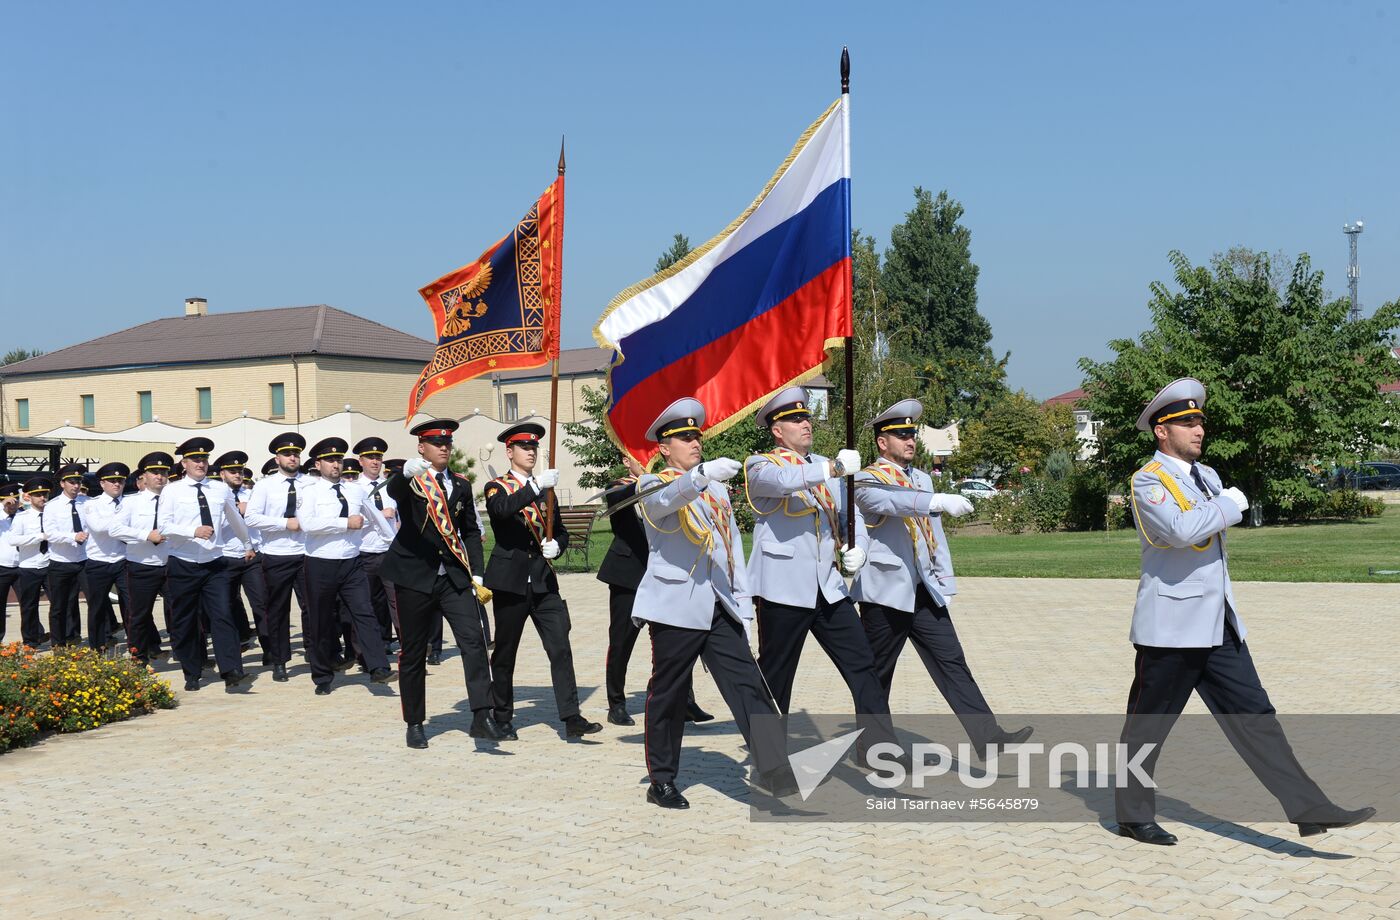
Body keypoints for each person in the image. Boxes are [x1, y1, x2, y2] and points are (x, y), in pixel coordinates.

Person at [1114, 378, 1375, 845]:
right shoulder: (1148, 480)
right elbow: (1177, 531)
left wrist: (1220, 500)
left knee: (1256, 714)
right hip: (1171, 629)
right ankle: (1133, 815)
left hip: (1218, 623)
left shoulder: (1207, 476)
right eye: (1187, 423)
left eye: (1200, 421)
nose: (1199, 430)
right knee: (1148, 726)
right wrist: (1229, 504)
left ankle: (1310, 808)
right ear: (1161, 431)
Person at [632, 398, 795, 808]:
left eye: (696, 437)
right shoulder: (653, 484)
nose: (694, 443)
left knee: (749, 687)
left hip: (719, 604)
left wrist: (742, 605)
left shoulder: (716, 488)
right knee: (668, 695)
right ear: (664, 448)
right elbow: (663, 504)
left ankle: (776, 772)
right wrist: (700, 476)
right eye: (684, 438)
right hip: (676, 607)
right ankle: (662, 780)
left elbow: (730, 551)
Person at [852, 400, 1031, 757]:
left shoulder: (919, 479)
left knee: (952, 661)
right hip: (885, 593)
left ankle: (987, 736)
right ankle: (870, 746)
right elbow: (892, 503)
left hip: (922, 589)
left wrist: (943, 579)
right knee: (877, 674)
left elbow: (935, 538)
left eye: (911, 434)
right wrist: (936, 500)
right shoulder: (866, 479)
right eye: (900, 435)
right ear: (881, 443)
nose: (909, 440)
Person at [743, 386, 895, 749]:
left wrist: (853, 546)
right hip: (782, 589)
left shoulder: (824, 465)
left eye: (806, 417)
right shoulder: (761, 464)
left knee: (863, 664)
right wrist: (833, 468)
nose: (805, 423)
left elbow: (845, 516)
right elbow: (782, 483)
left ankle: (878, 746)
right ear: (777, 430)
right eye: (795, 419)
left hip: (828, 588)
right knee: (777, 677)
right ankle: (768, 754)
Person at [381, 419, 500, 747]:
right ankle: (414, 722)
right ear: (422, 447)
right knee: (414, 652)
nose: (444, 447)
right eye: (436, 443)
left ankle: (481, 715)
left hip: (453, 577)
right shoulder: (413, 481)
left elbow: (472, 530)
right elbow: (394, 493)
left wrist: (477, 571)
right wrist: (404, 473)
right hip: (414, 577)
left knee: (474, 642)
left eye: (447, 442)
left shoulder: (460, 484)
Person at [482, 422, 600, 740]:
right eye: (524, 447)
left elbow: (558, 529)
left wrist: (558, 545)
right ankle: (502, 715)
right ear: (510, 452)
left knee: (560, 646)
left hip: (544, 581)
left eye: (534, 447)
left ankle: (571, 716)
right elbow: (502, 511)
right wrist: (535, 488)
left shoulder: (545, 489)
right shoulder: (498, 486)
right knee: (506, 651)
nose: (531, 451)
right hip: (511, 581)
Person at [596, 454, 712, 726]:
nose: (648, 461)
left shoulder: (669, 485)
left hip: (665, 572)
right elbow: (616, 499)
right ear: (627, 461)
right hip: (629, 575)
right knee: (622, 640)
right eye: (640, 457)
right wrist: (646, 482)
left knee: (675, 638)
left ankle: (684, 700)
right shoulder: (620, 485)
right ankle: (617, 703)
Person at [299, 437, 397, 694]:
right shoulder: (309, 491)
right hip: (321, 563)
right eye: (330, 460)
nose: (336, 464)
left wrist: (395, 544)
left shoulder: (355, 490)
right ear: (318, 464)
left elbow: (376, 519)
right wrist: (344, 523)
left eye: (339, 459)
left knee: (364, 612)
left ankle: (378, 667)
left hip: (352, 562)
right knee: (321, 621)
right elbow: (308, 524)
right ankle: (322, 676)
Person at [158, 437, 254, 692]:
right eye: (195, 459)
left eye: (204, 459)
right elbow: (164, 526)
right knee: (186, 620)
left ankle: (232, 670)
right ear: (185, 463)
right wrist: (193, 531)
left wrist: (247, 544)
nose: (201, 464)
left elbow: (235, 520)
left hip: (215, 564)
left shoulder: (218, 489)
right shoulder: (172, 490)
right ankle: (192, 671)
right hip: (184, 563)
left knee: (223, 614)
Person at [244, 433, 308, 682]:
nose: (292, 458)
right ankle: (280, 660)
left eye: (296, 454)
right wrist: (285, 524)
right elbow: (252, 518)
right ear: (277, 458)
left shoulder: (310, 483)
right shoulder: (265, 485)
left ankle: (317, 654)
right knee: (278, 610)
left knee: (312, 609)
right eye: (287, 454)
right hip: (276, 554)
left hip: (305, 553)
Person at [112, 453, 173, 664]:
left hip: (173, 565)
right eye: (155, 473)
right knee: (139, 615)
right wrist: (145, 535)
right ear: (143, 477)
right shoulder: (131, 503)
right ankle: (139, 657)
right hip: (142, 565)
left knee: (183, 612)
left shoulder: (176, 500)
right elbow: (115, 529)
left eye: (164, 472)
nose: (160, 477)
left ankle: (192, 657)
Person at [214, 451, 267, 656]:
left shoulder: (251, 496)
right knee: (227, 605)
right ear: (222, 474)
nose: (238, 474)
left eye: (240, 471)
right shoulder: (216, 497)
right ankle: (236, 644)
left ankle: (270, 650)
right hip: (226, 556)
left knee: (262, 604)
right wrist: (235, 510)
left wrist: (250, 509)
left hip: (252, 556)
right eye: (232, 471)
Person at [353, 437, 399, 658]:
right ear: (360, 461)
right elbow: (352, 519)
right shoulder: (353, 488)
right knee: (367, 603)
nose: (375, 462)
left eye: (378, 458)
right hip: (365, 552)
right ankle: (365, 651)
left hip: (389, 552)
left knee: (397, 602)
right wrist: (379, 516)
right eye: (370, 458)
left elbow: (398, 517)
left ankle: (408, 648)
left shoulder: (391, 486)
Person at [81, 462, 132, 651]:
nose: (116, 484)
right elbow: (99, 528)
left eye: (120, 481)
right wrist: (125, 522)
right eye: (112, 481)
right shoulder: (91, 504)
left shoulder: (129, 502)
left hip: (123, 560)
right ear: (102, 484)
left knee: (131, 607)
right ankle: (97, 647)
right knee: (97, 608)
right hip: (99, 562)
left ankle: (136, 647)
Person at [42, 463, 89, 646]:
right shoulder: (53, 506)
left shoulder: (87, 502)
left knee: (94, 601)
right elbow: (50, 533)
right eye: (71, 482)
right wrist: (72, 536)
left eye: (78, 481)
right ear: (62, 484)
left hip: (83, 560)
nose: (75, 485)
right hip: (61, 562)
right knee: (59, 606)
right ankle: (58, 644)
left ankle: (84, 638)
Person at [6, 478, 52, 648]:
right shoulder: (22, 517)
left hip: (49, 565)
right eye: (38, 495)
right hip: (29, 566)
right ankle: (30, 642)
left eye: (45, 494)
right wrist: (40, 536)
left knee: (58, 605)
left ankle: (59, 640)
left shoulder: (53, 514)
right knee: (28, 607)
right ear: (29, 497)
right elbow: (13, 540)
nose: (42, 497)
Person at [0, 483, 22, 644]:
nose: (13, 506)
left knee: (28, 603)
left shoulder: (23, 515)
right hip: (2, 567)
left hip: (22, 566)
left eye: (15, 502)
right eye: (9, 503)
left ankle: (35, 634)